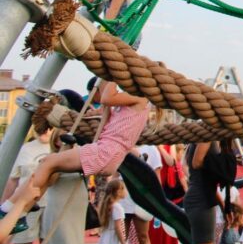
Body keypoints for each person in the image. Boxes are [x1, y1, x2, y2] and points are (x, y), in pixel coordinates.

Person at [1, 81, 149, 234]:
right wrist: (106, 99)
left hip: (106, 151)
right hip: (108, 153)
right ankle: (23, 209)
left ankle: (9, 209)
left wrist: (110, 78)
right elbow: (105, 113)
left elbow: (106, 98)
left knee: (47, 162)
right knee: (50, 168)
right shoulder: (127, 104)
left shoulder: (139, 97)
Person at [3, 122, 51, 244]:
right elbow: (13, 180)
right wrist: (5, 206)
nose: (45, 131)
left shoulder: (61, 149)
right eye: (41, 127)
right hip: (27, 205)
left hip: (51, 204)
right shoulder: (26, 149)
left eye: (49, 127)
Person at [182, 140, 237, 244]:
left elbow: (209, 183)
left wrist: (224, 207)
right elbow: (197, 162)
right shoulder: (207, 136)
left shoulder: (210, 136)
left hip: (204, 197)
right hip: (200, 199)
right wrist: (220, 169)